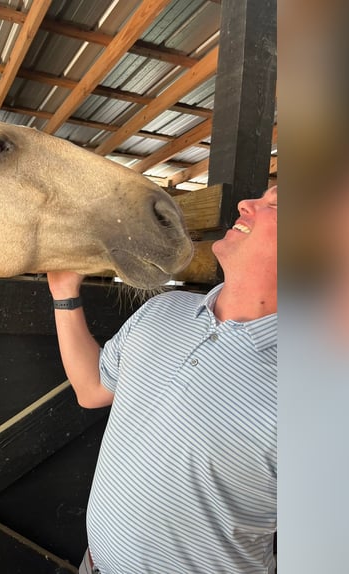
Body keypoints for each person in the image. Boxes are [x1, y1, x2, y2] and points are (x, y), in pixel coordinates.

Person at [47, 186, 278, 574]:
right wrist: (64, 292)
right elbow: (92, 390)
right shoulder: (163, 310)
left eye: (276, 205)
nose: (246, 204)